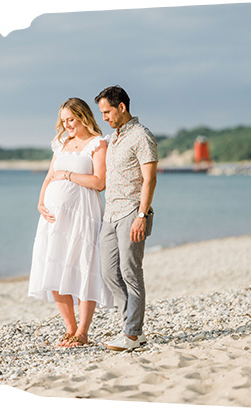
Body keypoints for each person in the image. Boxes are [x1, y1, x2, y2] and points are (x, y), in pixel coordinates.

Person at [28, 97, 112, 348]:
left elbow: (99, 183)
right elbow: (49, 177)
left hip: (83, 216)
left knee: (85, 266)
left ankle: (83, 332)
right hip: (53, 217)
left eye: (71, 120)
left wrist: (69, 176)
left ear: (83, 117)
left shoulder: (97, 144)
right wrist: (41, 202)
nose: (67, 125)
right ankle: (70, 329)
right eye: (64, 121)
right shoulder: (61, 144)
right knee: (54, 267)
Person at [95, 85, 157, 352]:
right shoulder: (114, 138)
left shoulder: (142, 136)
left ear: (121, 107)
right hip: (110, 214)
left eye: (107, 111)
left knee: (131, 272)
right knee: (109, 273)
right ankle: (131, 329)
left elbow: (150, 179)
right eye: (101, 113)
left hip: (132, 212)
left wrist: (142, 215)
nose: (105, 117)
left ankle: (132, 334)